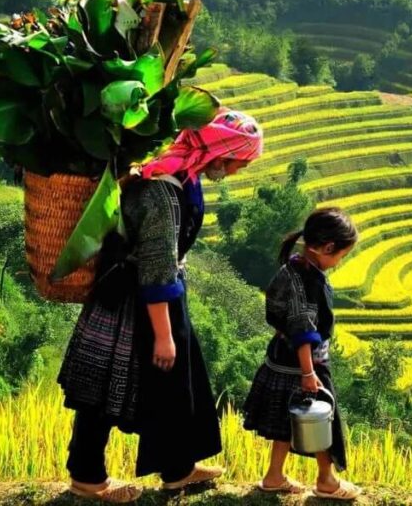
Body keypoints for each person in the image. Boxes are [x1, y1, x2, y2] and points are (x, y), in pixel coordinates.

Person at [57, 109, 264, 503]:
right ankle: (86, 477)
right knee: (102, 389)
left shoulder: (184, 176)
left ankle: (178, 468)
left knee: (177, 385)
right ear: (222, 152)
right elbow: (155, 267)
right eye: (239, 162)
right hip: (133, 300)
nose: (237, 171)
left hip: (162, 294)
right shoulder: (160, 191)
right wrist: (165, 336)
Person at [242, 207, 362, 500]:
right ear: (327, 247)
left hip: (282, 357)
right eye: (340, 256)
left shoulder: (292, 267)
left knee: (288, 419)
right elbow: (302, 329)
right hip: (305, 363)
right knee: (321, 416)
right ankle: (326, 480)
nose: (338, 262)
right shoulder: (306, 280)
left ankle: (274, 476)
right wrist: (309, 373)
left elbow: (281, 318)